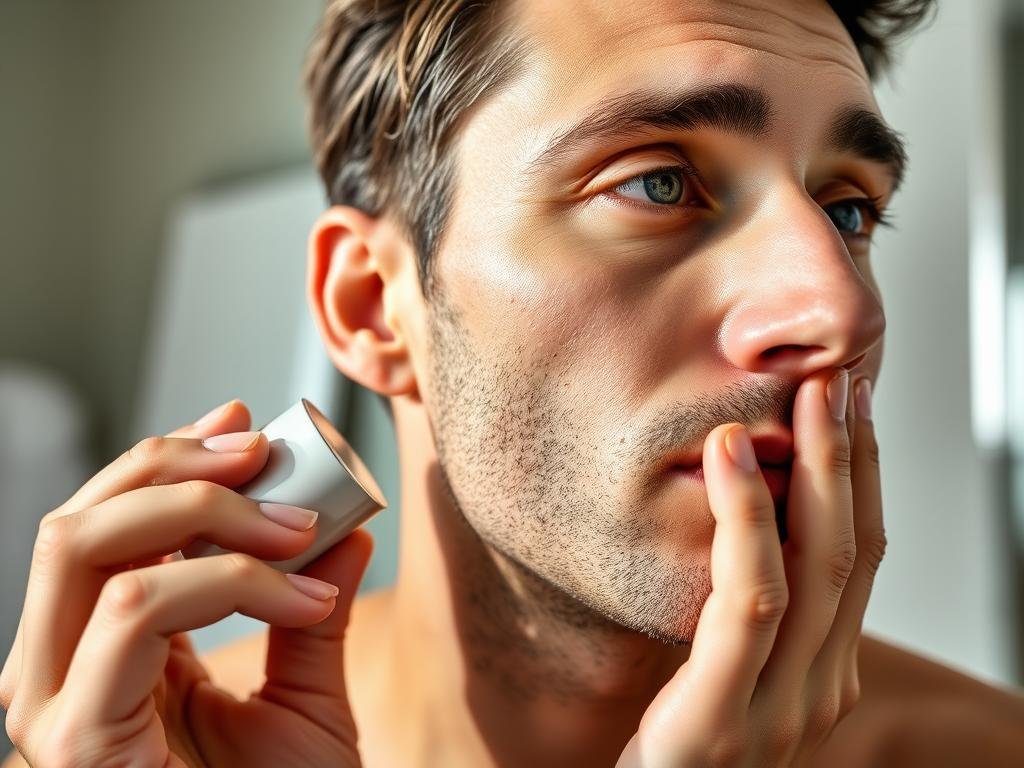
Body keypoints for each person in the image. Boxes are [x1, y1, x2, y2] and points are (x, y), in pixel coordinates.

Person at [3, 0, 1024, 764]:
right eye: (658, 182)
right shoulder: (150, 750)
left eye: (847, 210)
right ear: (372, 307)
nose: (840, 310)